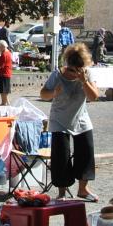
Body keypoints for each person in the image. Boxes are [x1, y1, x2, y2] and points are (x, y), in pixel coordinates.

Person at [40, 43, 100, 202]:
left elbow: (94, 97)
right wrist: (54, 92)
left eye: (79, 70)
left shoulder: (87, 74)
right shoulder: (57, 75)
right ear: (68, 65)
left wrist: (84, 82)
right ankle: (62, 192)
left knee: (86, 150)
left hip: (81, 119)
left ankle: (83, 189)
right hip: (60, 120)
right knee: (61, 155)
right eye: (73, 70)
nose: (75, 73)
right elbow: (43, 94)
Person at [0, 39, 13, 106]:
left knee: (3, 90)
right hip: (7, 73)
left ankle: (3, 102)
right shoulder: (9, 53)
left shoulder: (4, 54)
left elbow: (0, 66)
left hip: (3, 73)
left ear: (2, 46)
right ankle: (6, 102)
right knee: (5, 89)